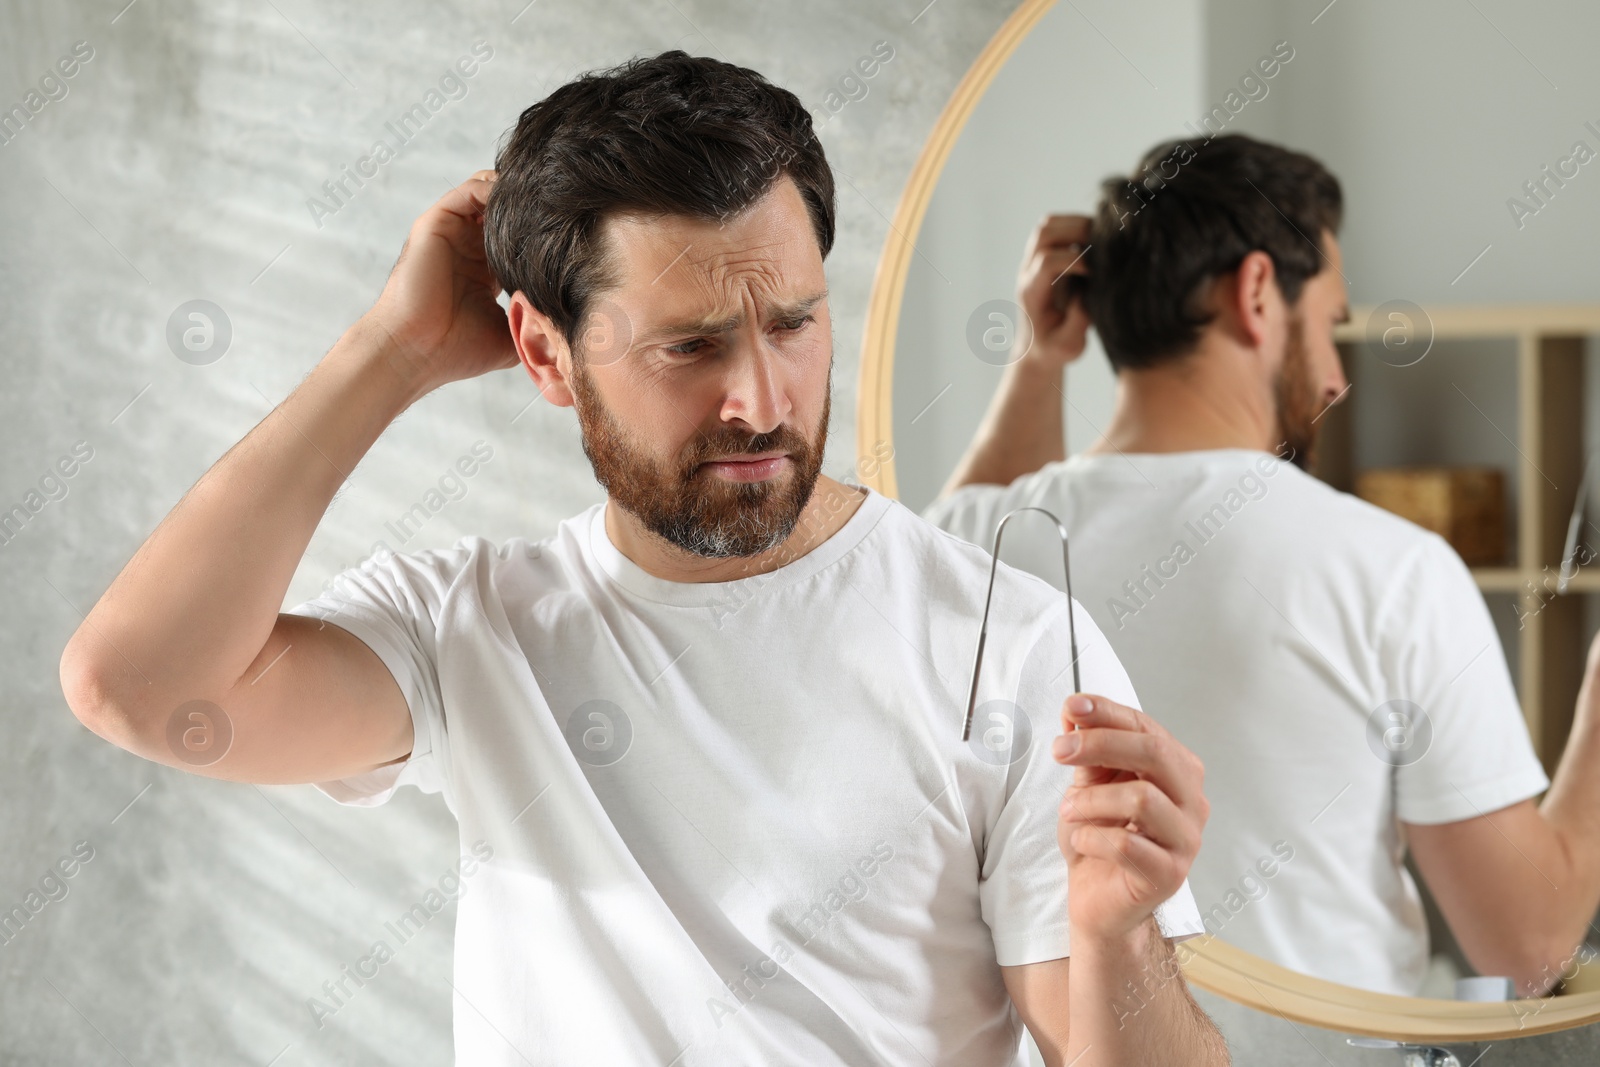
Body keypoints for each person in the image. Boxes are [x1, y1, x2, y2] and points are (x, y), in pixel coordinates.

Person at [58, 53, 1228, 1067]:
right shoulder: (472, 629)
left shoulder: (1005, 640)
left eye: (793, 323)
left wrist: (1121, 933)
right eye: (691, 346)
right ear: (543, 351)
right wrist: (394, 348)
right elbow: (145, 688)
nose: (760, 401)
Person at [924, 132, 1600, 999]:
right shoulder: (1393, 570)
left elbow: (959, 534)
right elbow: (1529, 941)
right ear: (1255, 292)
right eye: (1329, 326)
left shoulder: (979, 543)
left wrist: (1038, 362)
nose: (1336, 377)